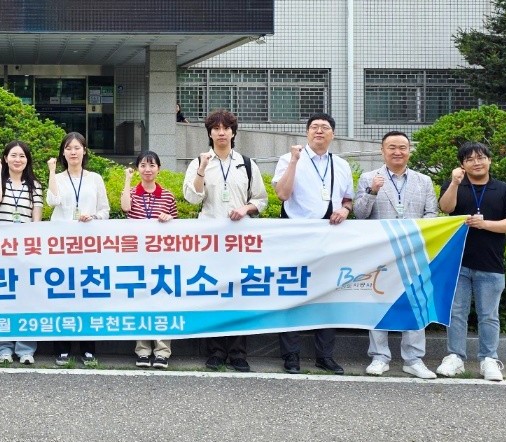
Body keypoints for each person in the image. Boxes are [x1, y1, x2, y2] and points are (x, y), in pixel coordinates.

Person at [183, 108, 268, 372]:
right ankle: (216, 351)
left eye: (226, 128)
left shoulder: (246, 163)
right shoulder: (199, 162)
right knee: (213, 293)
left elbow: (261, 200)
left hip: (240, 240)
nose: (221, 133)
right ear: (209, 133)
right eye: (216, 128)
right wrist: (202, 168)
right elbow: (191, 198)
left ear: (233, 132)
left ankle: (239, 353)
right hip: (209, 240)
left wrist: (245, 209)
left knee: (240, 294)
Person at [271, 112, 354, 374]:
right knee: (292, 293)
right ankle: (291, 355)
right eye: (314, 127)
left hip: (329, 236)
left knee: (327, 295)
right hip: (295, 236)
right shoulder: (289, 159)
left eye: (325, 127)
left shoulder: (341, 164)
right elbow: (282, 194)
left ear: (333, 134)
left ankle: (325, 356)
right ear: (307, 132)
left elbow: (348, 199)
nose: (319, 131)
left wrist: (345, 210)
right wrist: (294, 162)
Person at [353, 130, 439, 379]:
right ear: (382, 151)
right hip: (380, 253)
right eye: (392, 147)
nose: (397, 152)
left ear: (409, 151)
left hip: (413, 252)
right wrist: (372, 191)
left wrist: (416, 235)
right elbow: (359, 214)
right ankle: (379, 357)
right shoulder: (369, 178)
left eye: (402, 147)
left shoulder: (423, 181)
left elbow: (432, 214)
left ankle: (413, 359)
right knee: (378, 302)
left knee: (415, 303)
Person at [436, 141, 506, 382]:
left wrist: (484, 224)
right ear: (462, 165)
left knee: (489, 315)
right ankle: (455, 357)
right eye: (470, 159)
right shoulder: (454, 185)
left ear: (489, 160)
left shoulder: (505, 190)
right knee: (456, 313)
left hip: (491, 263)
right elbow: (446, 208)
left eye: (481, 157)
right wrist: (454, 182)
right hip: (456, 263)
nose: (476, 162)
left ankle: (489, 359)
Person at [46, 131, 110, 367]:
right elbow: (52, 202)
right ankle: (62, 348)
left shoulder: (95, 178)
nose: (73, 152)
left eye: (77, 148)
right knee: (62, 295)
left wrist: (93, 216)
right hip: (62, 246)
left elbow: (105, 210)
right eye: (68, 148)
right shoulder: (57, 177)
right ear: (63, 153)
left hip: (88, 245)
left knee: (87, 295)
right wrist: (51, 171)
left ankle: (88, 349)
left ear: (84, 151)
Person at [120, 150, 177, 368]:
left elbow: (178, 228)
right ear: (138, 169)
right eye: (143, 165)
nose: (147, 169)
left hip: (161, 259)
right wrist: (127, 180)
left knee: (163, 302)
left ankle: (162, 351)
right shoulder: (132, 193)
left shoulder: (168, 196)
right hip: (137, 258)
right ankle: (143, 351)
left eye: (152, 165)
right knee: (140, 302)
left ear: (159, 169)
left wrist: (169, 218)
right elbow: (125, 207)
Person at [0, 140, 43, 364]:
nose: (17, 160)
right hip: (0, 250)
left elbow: (37, 217)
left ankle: (25, 349)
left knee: (27, 300)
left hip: (25, 250)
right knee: (2, 300)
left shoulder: (35, 185)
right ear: (5, 158)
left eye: (22, 156)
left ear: (27, 160)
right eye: (13, 155)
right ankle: (2, 348)